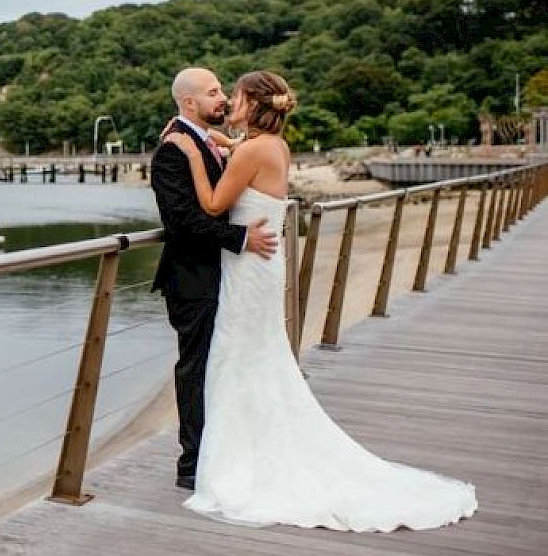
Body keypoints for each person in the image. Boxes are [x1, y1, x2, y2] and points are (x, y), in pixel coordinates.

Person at [163, 69, 477, 530]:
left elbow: (211, 205)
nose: (229, 101)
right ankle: (249, 448)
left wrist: (192, 151)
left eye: (235, 95)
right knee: (253, 358)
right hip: (258, 267)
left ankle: (236, 457)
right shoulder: (270, 146)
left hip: (249, 268)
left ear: (254, 104)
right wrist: (218, 142)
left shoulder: (250, 150)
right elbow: (243, 161)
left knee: (239, 359)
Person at [151, 67, 278, 491]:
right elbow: (183, 221)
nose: (222, 98)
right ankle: (191, 464)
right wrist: (240, 237)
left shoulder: (206, 142)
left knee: (219, 366)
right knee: (197, 369)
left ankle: (219, 452)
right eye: (213, 93)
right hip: (192, 278)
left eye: (224, 91)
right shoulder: (173, 150)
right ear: (189, 103)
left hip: (223, 275)